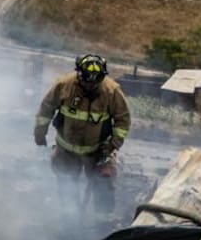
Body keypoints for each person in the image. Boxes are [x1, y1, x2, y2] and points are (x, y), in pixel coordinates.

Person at [33, 54, 131, 216]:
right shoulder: (63, 85)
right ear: (79, 73)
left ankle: (103, 221)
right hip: (66, 149)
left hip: (99, 151)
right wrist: (40, 132)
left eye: (95, 82)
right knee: (66, 183)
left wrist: (113, 144)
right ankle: (70, 219)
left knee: (104, 182)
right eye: (86, 81)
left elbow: (123, 120)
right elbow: (46, 109)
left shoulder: (112, 91)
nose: (90, 85)